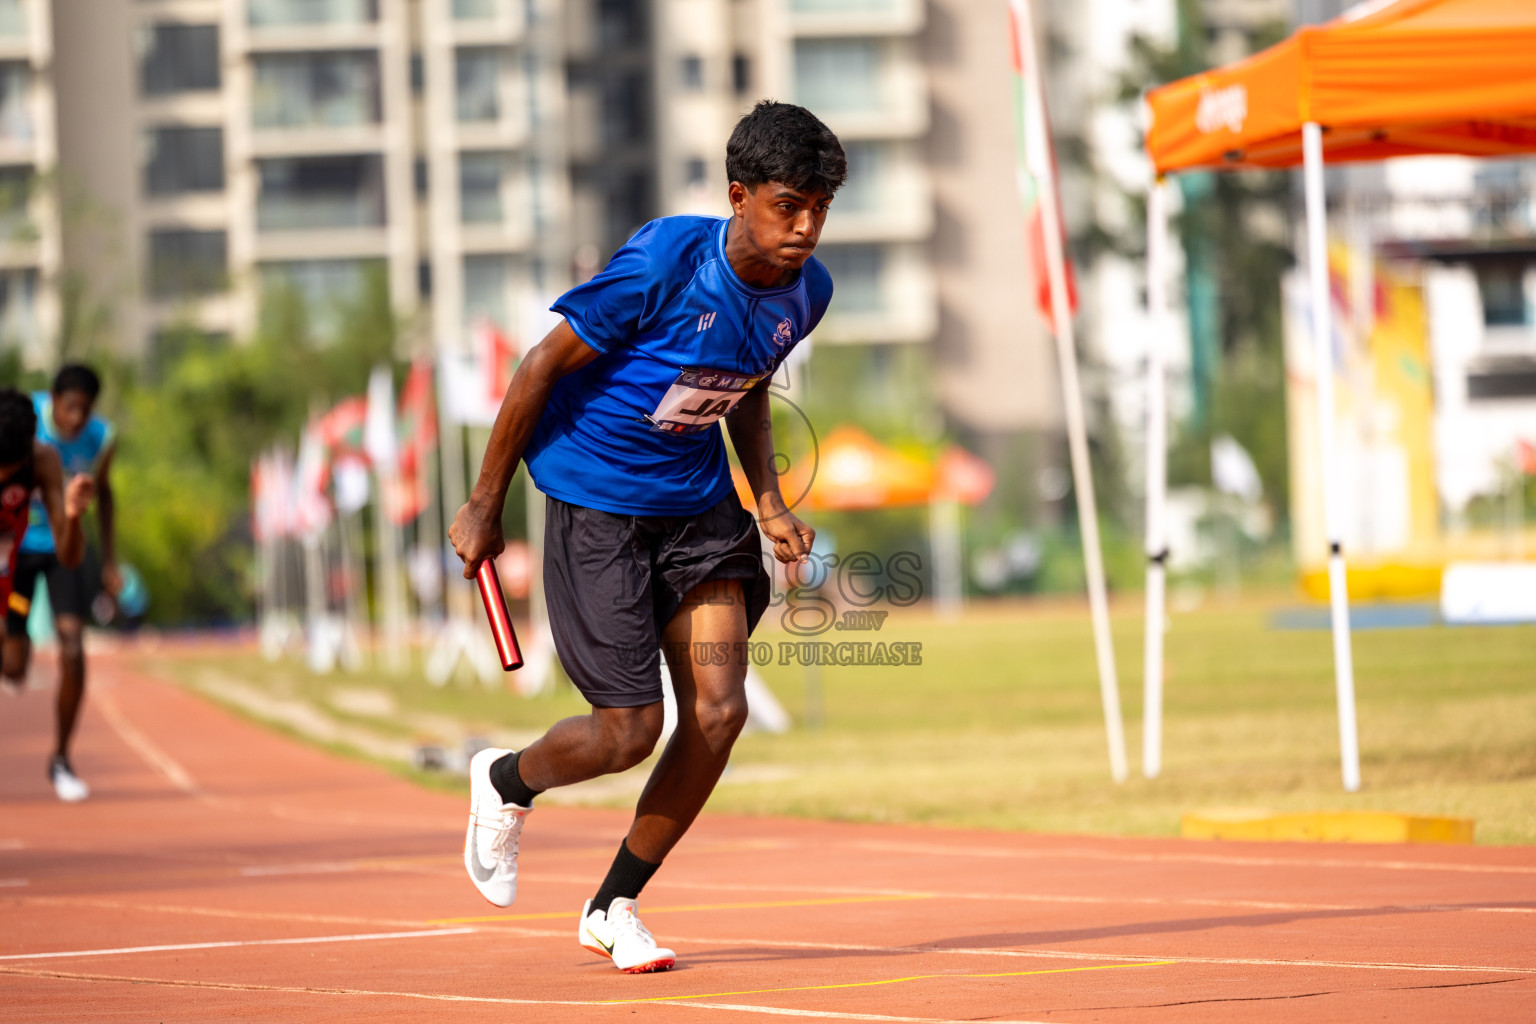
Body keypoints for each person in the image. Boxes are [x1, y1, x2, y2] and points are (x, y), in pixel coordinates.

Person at [450, 101, 844, 974]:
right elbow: (538, 367)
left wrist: (769, 503)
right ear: (740, 196)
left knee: (719, 709)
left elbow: (743, 385)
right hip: (597, 503)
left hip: (699, 506)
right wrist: (485, 503)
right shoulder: (666, 260)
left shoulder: (806, 291)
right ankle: (506, 781)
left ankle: (613, 904)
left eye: (821, 205)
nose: (808, 226)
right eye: (790, 204)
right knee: (628, 731)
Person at [2, 366, 115, 802]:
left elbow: (70, 554)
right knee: (13, 668)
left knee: (72, 645)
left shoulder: (46, 459)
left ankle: (62, 759)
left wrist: (71, 515)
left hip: (51, 549)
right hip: (8, 554)